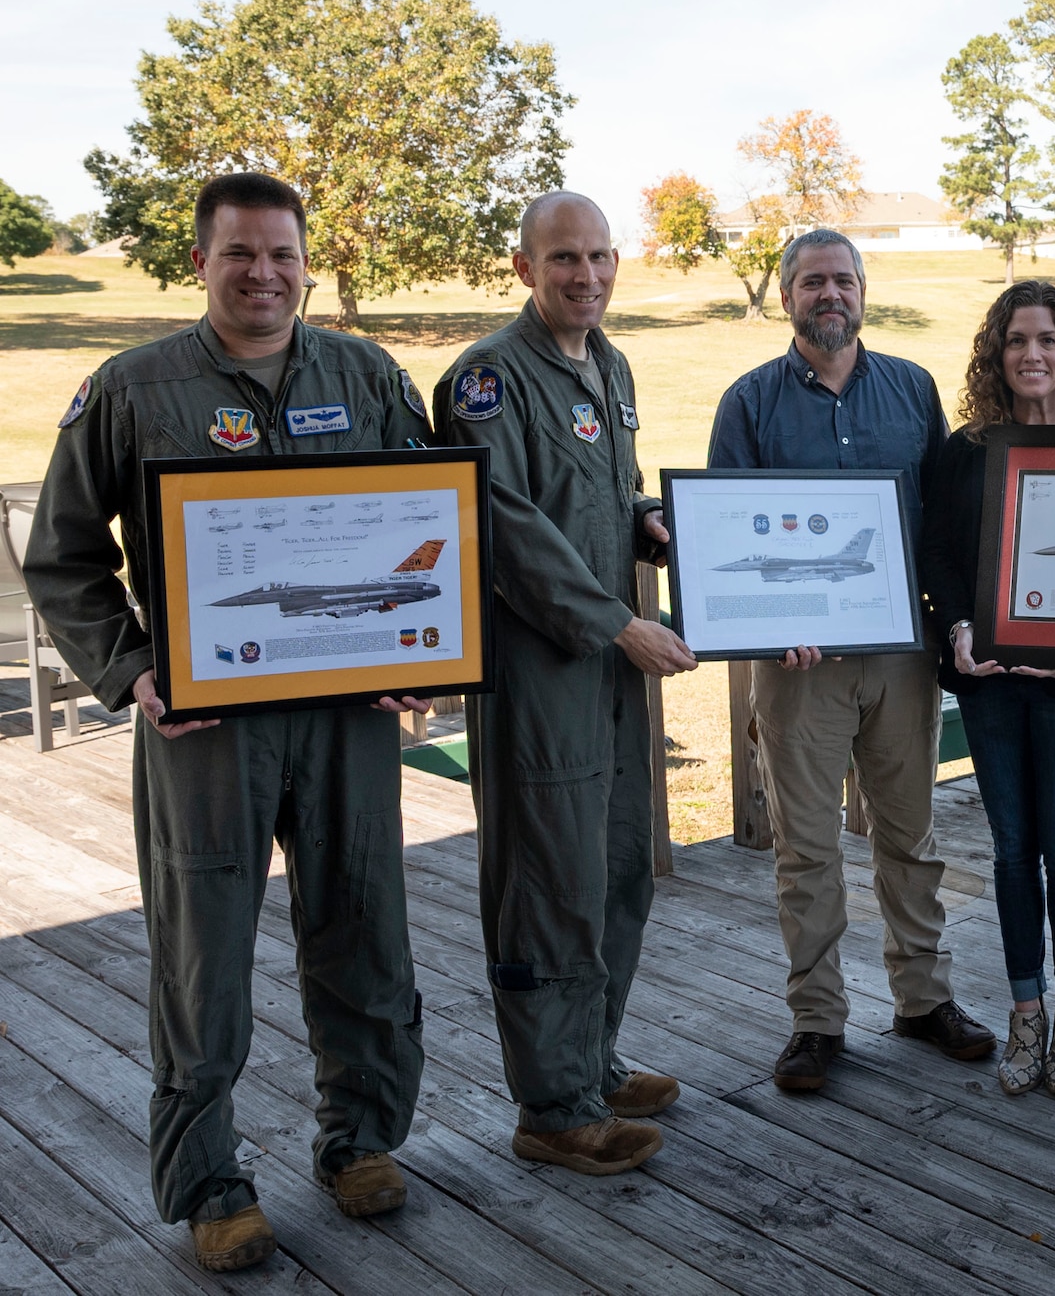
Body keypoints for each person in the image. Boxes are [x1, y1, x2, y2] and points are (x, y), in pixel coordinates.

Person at [24, 172, 431, 1272]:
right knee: (202, 953)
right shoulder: (133, 386)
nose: (262, 273)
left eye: (281, 254)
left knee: (363, 924)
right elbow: (62, 552)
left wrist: (423, 651)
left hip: (348, 715)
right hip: (208, 727)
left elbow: (432, 514)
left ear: (307, 261)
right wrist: (130, 666)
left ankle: (360, 1139)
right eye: (239, 254)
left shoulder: (368, 375)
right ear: (199, 262)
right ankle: (210, 1176)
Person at [434, 191, 695, 1175]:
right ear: (523, 268)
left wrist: (645, 524)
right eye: (562, 260)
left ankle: (592, 1059)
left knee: (620, 862)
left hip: (614, 668)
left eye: (598, 257)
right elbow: (502, 524)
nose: (584, 276)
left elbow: (586, 499)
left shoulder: (611, 364)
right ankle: (550, 1105)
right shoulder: (485, 380)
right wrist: (614, 621)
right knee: (550, 882)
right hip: (544, 672)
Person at [709, 229, 996, 1091]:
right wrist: (772, 627)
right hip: (801, 670)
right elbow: (724, 532)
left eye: (842, 281)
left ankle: (921, 998)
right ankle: (817, 1020)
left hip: (902, 651)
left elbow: (942, 521)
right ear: (788, 295)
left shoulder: (912, 390)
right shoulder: (749, 402)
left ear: (863, 292)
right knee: (806, 847)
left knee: (911, 834)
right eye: (810, 282)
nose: (828, 295)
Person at [919, 281, 1055, 1096]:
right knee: (1013, 852)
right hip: (989, 680)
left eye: (1047, 339)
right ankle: (1025, 1012)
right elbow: (936, 552)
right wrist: (962, 629)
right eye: (1015, 341)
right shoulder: (967, 448)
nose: (1032, 355)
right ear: (995, 356)